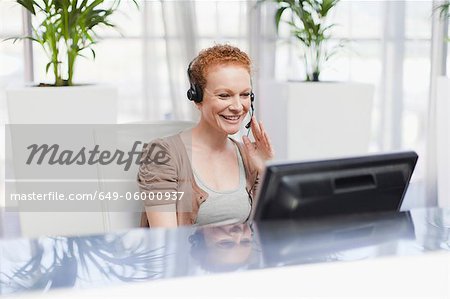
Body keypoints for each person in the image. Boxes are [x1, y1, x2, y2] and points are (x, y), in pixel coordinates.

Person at [138, 44, 274, 228]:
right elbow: (166, 245)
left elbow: (268, 235)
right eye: (224, 95)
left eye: (244, 95)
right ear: (197, 97)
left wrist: (268, 172)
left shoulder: (249, 157)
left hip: (246, 257)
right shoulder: (162, 156)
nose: (237, 106)